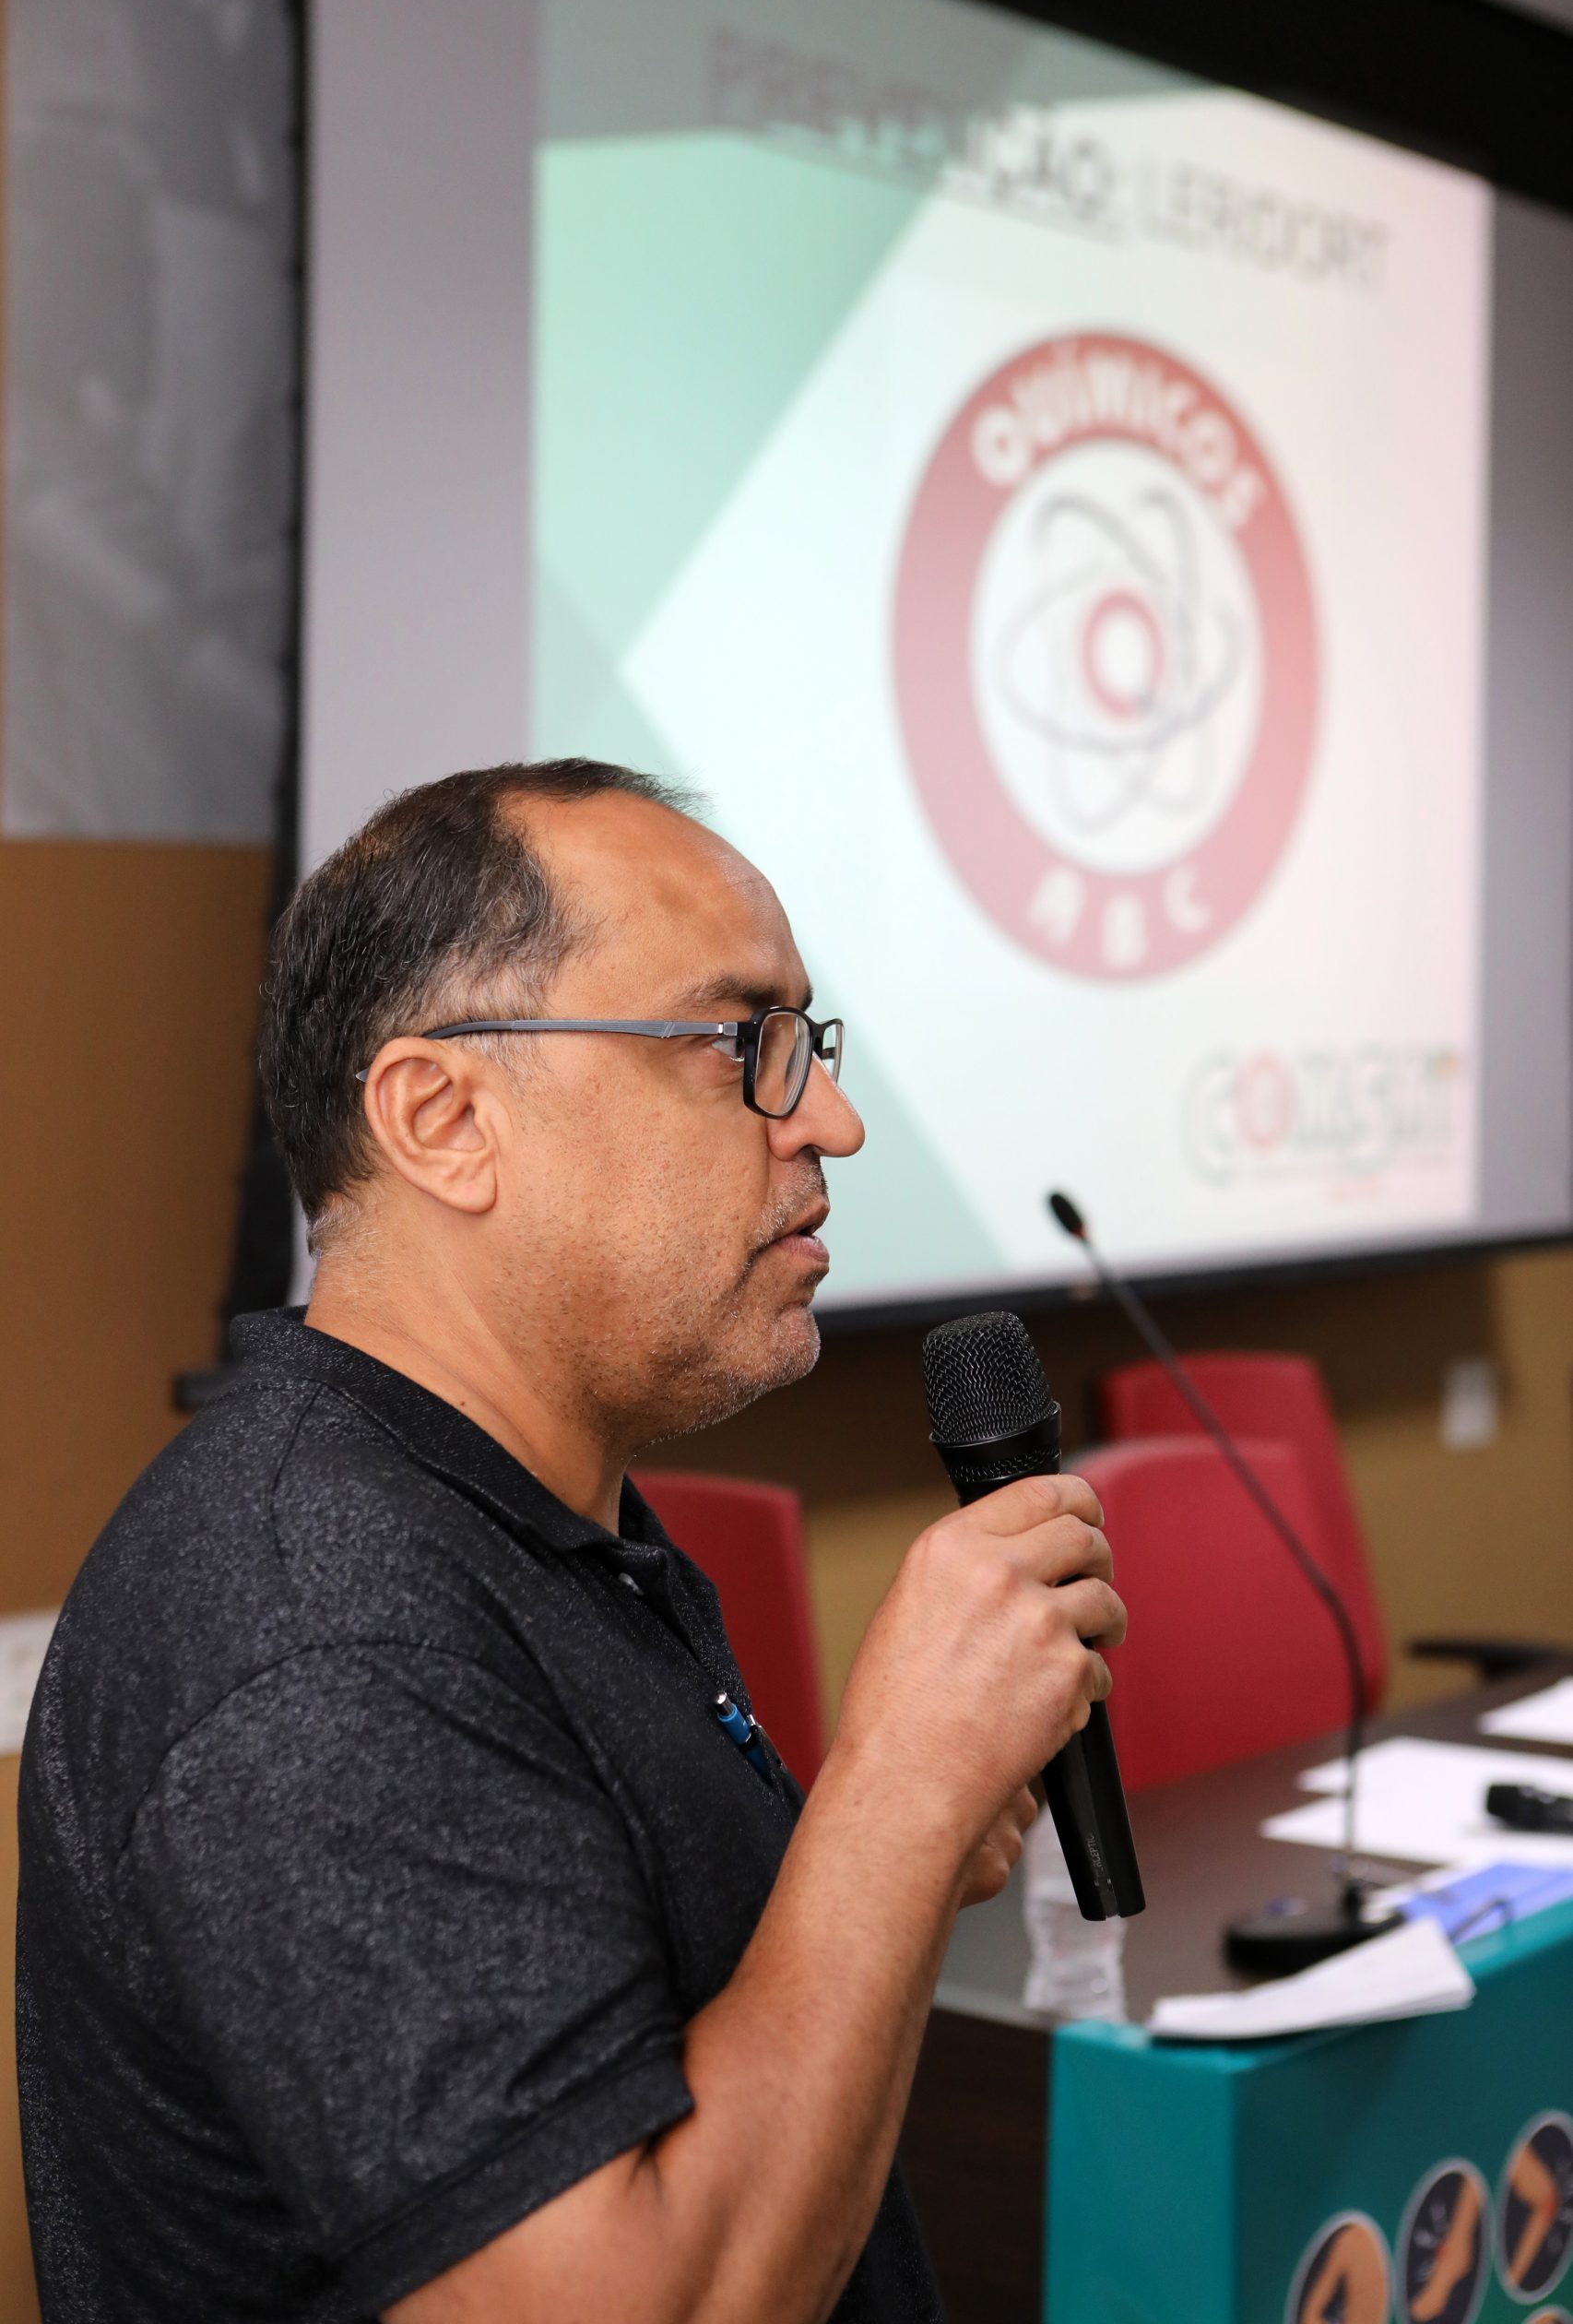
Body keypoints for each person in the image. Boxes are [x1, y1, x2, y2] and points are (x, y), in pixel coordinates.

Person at [17, 760, 1125, 2323]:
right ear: (444, 1118)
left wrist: (893, 1851)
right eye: (739, 1043)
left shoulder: (517, 1515)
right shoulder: (324, 1629)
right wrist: (893, 1792)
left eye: (805, 1044)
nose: (833, 1118)